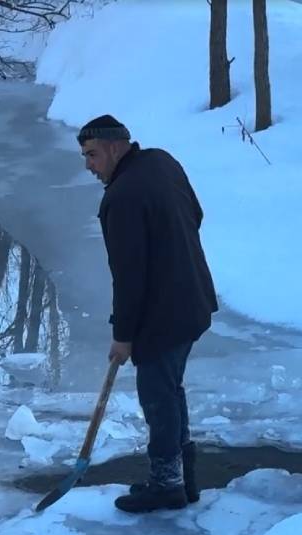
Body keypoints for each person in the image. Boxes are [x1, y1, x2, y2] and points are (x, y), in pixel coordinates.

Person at [77, 114, 219, 514]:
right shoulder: (162, 162)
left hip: (164, 314)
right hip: (193, 300)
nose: (89, 165)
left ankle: (167, 484)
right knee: (169, 390)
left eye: (92, 155)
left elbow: (128, 277)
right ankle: (182, 480)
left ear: (115, 147)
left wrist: (123, 335)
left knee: (158, 396)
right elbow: (197, 215)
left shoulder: (121, 198)